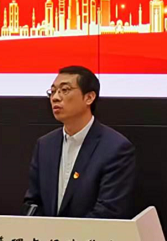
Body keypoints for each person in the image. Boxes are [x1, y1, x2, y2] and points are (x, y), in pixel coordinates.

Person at [23, 65, 136, 219]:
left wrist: (65, 232)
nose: (55, 97)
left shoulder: (115, 148)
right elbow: (33, 202)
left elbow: (109, 211)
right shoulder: (45, 145)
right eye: (53, 91)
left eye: (65, 90)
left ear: (89, 97)